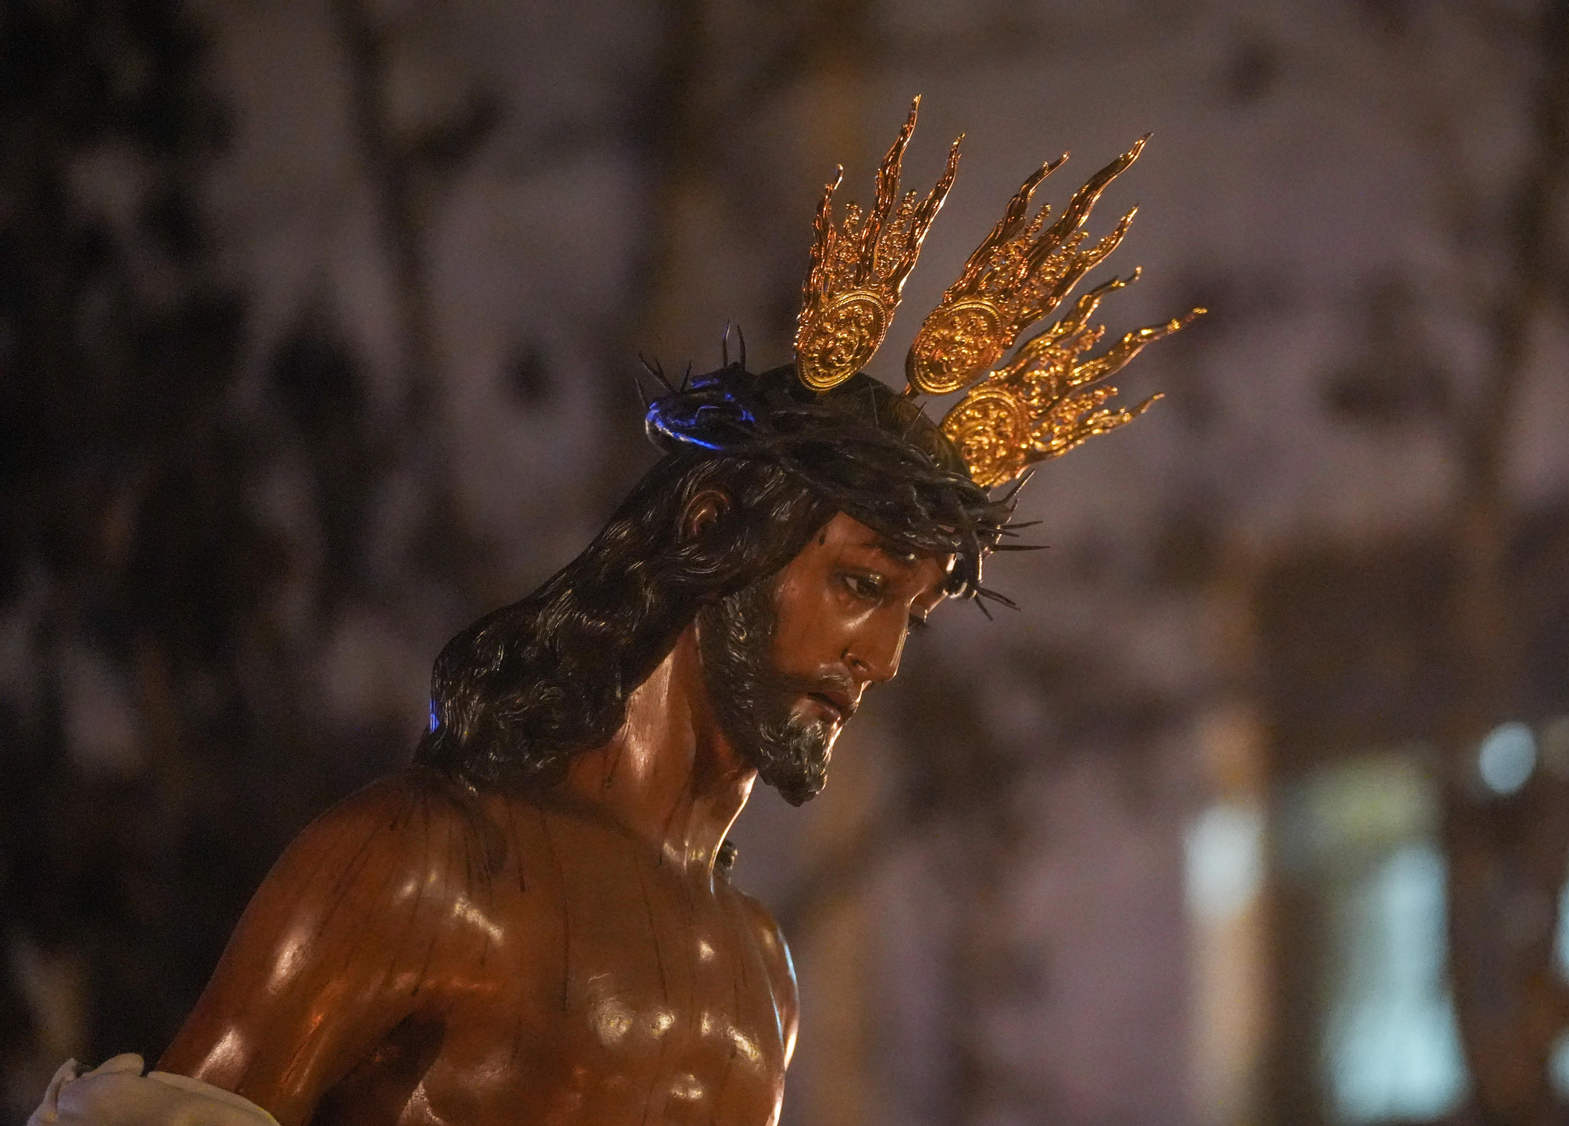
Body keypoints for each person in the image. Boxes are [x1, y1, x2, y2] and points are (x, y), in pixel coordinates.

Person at [30, 100, 1198, 1126]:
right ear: (709, 533)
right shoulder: (421, 864)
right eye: (856, 584)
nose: (882, 658)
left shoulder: (760, 975)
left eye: (910, 612)